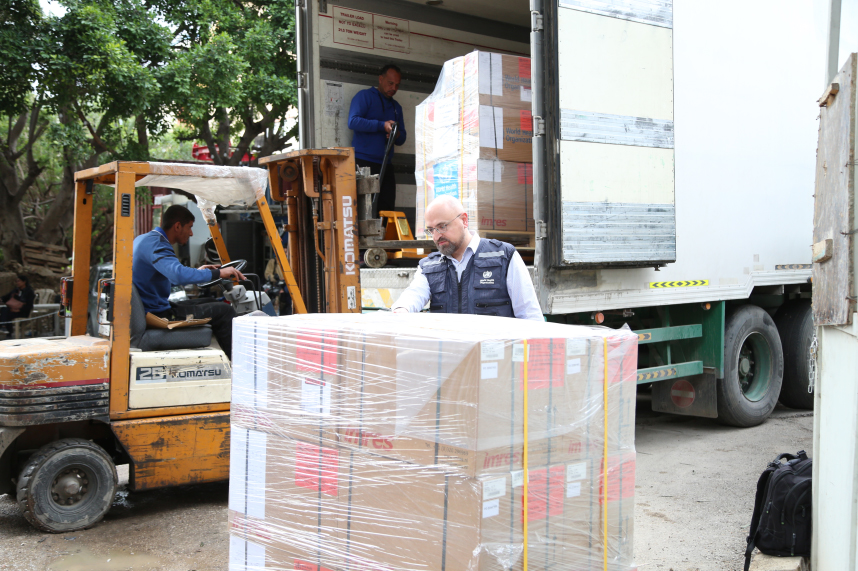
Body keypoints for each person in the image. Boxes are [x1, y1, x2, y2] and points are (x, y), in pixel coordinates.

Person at [391, 196, 543, 320]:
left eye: (442, 226)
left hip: (495, 349)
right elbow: (415, 293)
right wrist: (401, 309)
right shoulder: (429, 266)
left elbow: (530, 316)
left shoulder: (503, 256)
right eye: (431, 230)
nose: (436, 236)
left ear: (464, 220)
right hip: (451, 349)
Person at [132, 205, 245, 359]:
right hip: (159, 314)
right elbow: (177, 275)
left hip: (152, 309)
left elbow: (162, 279)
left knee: (211, 301)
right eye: (190, 227)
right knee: (225, 311)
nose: (191, 233)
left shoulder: (145, 239)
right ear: (178, 226)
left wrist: (199, 273)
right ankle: (238, 366)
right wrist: (219, 273)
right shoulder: (158, 245)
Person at [348, 63, 407, 217]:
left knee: (387, 209)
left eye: (397, 85)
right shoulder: (364, 96)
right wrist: (382, 126)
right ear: (380, 79)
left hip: (386, 165)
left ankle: (384, 233)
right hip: (363, 164)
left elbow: (402, 138)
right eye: (390, 83)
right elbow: (353, 121)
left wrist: (395, 134)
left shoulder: (396, 107)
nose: (393, 88)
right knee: (364, 210)